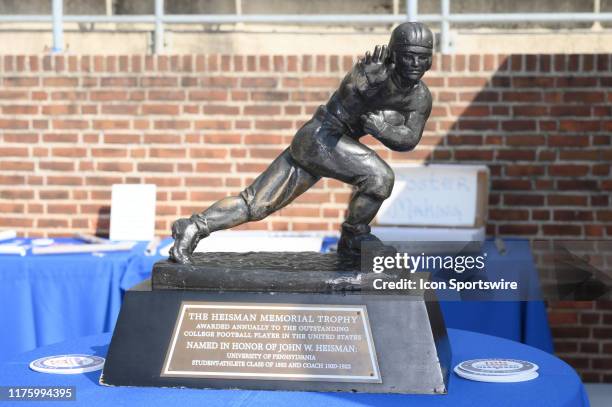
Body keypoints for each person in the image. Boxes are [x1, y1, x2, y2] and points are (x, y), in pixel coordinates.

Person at [170, 22, 433, 264]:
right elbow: (347, 100)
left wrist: (383, 128)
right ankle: (354, 237)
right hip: (321, 138)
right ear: (393, 55)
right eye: (408, 55)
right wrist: (365, 83)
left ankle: (193, 226)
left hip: (329, 144)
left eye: (422, 57)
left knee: (257, 204)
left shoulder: (420, 97)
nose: (415, 63)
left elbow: (409, 139)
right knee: (379, 177)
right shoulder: (372, 73)